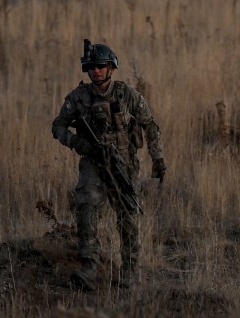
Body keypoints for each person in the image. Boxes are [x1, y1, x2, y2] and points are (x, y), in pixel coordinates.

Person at [51, 39, 165, 290]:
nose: (96, 71)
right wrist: (77, 143)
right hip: (93, 163)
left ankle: (130, 271)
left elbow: (150, 125)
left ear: (111, 67)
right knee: (87, 207)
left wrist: (158, 159)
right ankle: (90, 267)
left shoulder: (127, 94)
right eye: (91, 67)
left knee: (127, 215)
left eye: (101, 66)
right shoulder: (78, 98)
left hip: (123, 163)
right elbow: (57, 126)